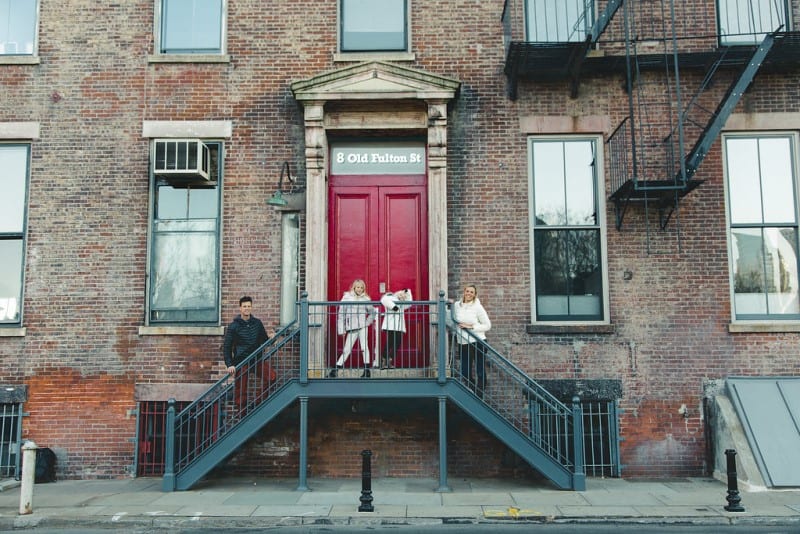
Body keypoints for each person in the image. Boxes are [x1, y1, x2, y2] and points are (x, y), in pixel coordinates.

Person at [223, 296, 274, 408]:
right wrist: (229, 364)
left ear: (251, 307)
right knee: (240, 391)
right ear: (240, 308)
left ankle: (257, 402)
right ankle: (242, 414)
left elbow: (264, 340)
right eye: (244, 306)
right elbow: (226, 347)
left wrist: (271, 338)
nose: (247, 308)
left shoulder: (257, 323)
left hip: (257, 359)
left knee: (272, 377)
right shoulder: (233, 326)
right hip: (242, 361)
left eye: (249, 306)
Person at [451, 285, 491, 398]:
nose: (469, 293)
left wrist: (471, 327)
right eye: (467, 291)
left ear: (475, 294)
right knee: (465, 372)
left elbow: (487, 325)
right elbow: (452, 319)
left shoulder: (478, 307)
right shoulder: (457, 306)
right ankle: (474, 391)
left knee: (479, 370)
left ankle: (479, 394)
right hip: (463, 343)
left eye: (472, 292)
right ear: (464, 292)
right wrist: (447, 305)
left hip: (478, 342)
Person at [331, 279, 377, 378]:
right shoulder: (347, 298)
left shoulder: (366, 299)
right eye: (357, 287)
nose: (359, 289)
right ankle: (335, 369)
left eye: (361, 287)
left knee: (365, 348)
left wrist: (366, 323)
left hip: (362, 327)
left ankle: (366, 371)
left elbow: (372, 313)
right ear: (354, 287)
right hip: (351, 328)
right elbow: (341, 315)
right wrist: (341, 329)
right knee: (347, 349)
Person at [379, 288, 412, 369]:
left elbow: (410, 303)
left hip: (399, 327)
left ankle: (390, 359)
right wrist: (394, 307)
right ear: (396, 293)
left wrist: (408, 292)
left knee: (397, 343)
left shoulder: (401, 304)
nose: (401, 296)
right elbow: (384, 299)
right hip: (390, 325)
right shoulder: (390, 297)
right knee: (390, 342)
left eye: (403, 296)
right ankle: (383, 360)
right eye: (400, 294)